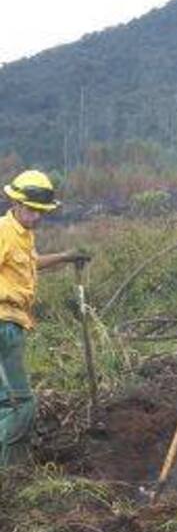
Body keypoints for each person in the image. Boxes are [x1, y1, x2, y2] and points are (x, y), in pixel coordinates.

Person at [0, 170, 90, 466]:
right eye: (32, 210)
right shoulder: (2, 232)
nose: (37, 217)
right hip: (2, 323)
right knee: (21, 404)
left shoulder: (23, 235)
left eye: (41, 212)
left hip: (13, 324)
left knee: (5, 403)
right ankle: (12, 471)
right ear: (15, 203)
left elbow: (33, 263)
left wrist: (65, 257)